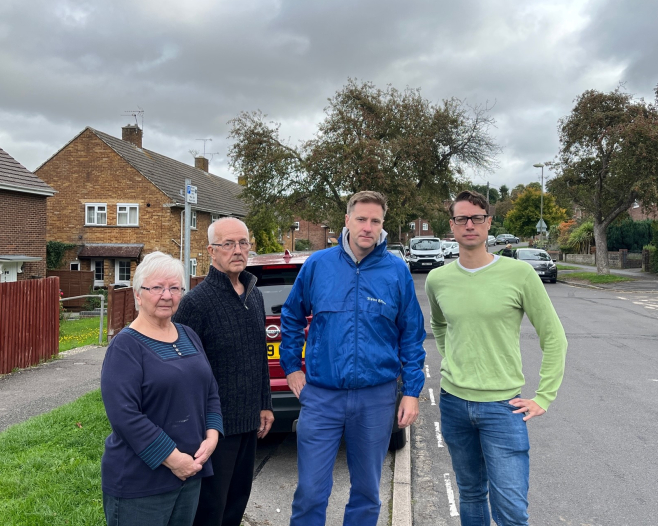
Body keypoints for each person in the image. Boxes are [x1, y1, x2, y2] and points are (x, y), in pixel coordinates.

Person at [279, 190, 427, 526]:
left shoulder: (395, 271)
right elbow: (291, 316)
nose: (367, 227)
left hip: (377, 397)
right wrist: (291, 368)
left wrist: (412, 391)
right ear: (347, 220)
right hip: (322, 396)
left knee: (367, 492)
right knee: (311, 492)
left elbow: (412, 334)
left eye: (375, 221)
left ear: (382, 225)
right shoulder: (318, 265)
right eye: (361, 218)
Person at [425, 190, 567, 526]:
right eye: (462, 218)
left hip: (503, 408)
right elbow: (440, 325)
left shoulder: (520, 275)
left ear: (489, 223)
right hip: (454, 404)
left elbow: (554, 337)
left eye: (477, 218)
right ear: (452, 226)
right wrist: (455, 359)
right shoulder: (438, 279)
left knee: (511, 510)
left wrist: (544, 397)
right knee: (471, 494)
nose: (469, 224)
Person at [100, 252, 223, 526]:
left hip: (190, 473)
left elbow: (210, 392)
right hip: (140, 483)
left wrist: (212, 436)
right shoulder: (125, 347)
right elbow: (125, 416)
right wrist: (173, 458)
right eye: (156, 287)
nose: (166, 295)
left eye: (174, 287)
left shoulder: (189, 335)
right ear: (138, 294)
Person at [173, 217, 274, 526]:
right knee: (210, 509)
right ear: (211, 251)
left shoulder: (254, 294)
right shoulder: (195, 303)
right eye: (228, 244)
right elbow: (182, 369)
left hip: (249, 422)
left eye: (243, 243)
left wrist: (265, 403)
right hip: (213, 428)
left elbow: (259, 354)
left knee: (237, 502)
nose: (238, 250)